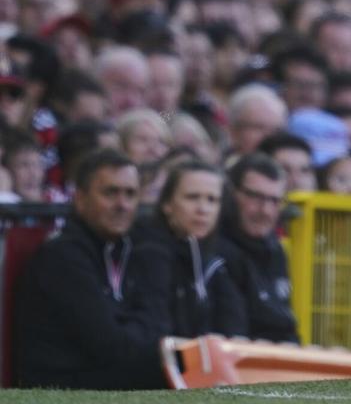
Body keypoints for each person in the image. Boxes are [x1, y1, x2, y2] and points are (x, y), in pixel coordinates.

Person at [16, 149, 170, 389]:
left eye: (130, 194)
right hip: (63, 381)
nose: (122, 205)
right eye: (110, 193)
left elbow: (162, 322)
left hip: (108, 370)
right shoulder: (62, 255)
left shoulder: (135, 248)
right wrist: (146, 328)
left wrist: (139, 327)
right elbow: (111, 345)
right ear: (80, 199)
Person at [134, 159, 247, 338]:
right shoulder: (150, 253)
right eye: (192, 197)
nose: (203, 209)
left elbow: (235, 329)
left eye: (212, 200)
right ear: (167, 205)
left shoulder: (219, 259)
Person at [221, 153, 299, 343]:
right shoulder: (217, 253)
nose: (265, 210)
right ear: (230, 194)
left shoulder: (276, 250)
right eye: (255, 197)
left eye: (275, 201)